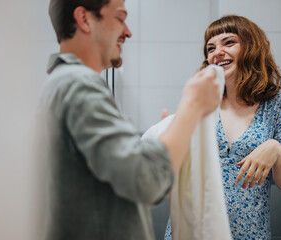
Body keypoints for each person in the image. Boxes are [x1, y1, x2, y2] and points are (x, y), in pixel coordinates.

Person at [39, 0, 222, 239]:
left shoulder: (58, 83)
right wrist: (191, 106)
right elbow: (147, 180)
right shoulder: (79, 85)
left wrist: (166, 135)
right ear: (84, 19)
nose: (128, 31)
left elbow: (110, 172)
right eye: (120, 18)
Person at [164, 15, 281, 240]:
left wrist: (276, 149)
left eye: (228, 42)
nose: (217, 52)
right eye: (210, 48)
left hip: (249, 234)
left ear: (251, 47)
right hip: (191, 231)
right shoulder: (202, 101)